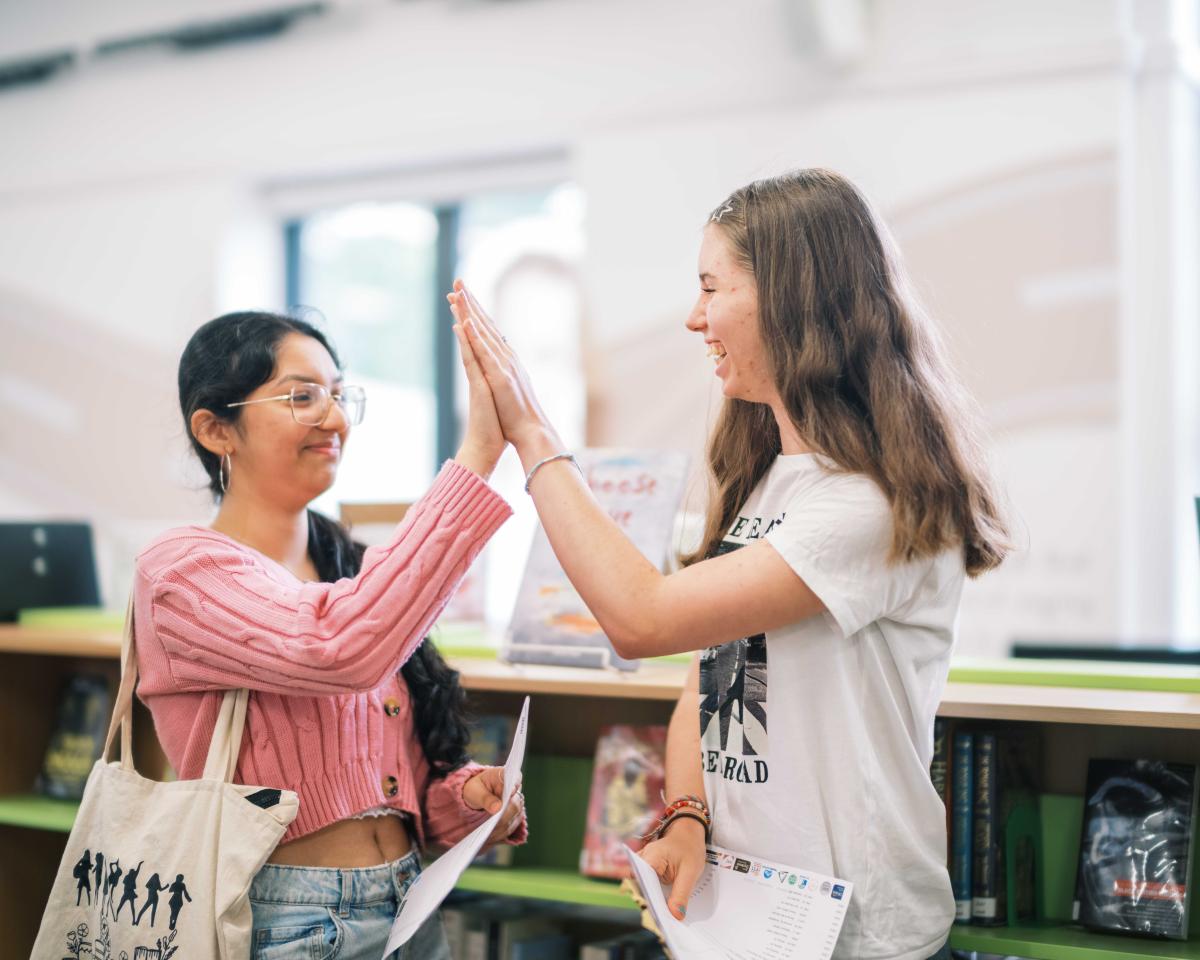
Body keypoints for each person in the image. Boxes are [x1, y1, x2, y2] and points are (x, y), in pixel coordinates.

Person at [448, 168, 1009, 960]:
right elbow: (714, 673)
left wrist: (534, 436)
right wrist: (687, 814)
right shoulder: (774, 476)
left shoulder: (868, 502)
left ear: (790, 298)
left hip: (857, 939)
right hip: (747, 918)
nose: (693, 317)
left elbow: (642, 619)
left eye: (713, 287)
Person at [133, 311, 526, 960]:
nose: (335, 419)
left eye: (339, 395)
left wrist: (467, 801)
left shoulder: (345, 566)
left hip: (412, 907)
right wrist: (479, 453)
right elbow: (339, 648)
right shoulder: (180, 572)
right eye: (302, 396)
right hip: (285, 919)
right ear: (215, 429)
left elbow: (385, 794)